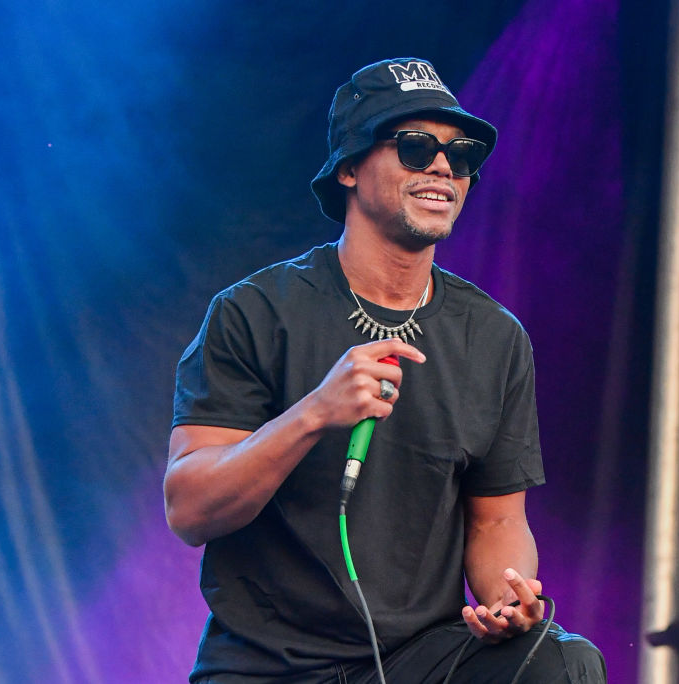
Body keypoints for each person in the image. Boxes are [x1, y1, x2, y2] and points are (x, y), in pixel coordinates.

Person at [165, 57, 606, 683]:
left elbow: (499, 519)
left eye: (461, 155)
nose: (443, 168)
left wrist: (508, 596)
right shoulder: (255, 312)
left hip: (413, 662)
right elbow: (189, 510)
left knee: (563, 662)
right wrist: (314, 414)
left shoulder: (495, 338)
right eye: (415, 146)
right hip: (268, 667)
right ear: (348, 167)